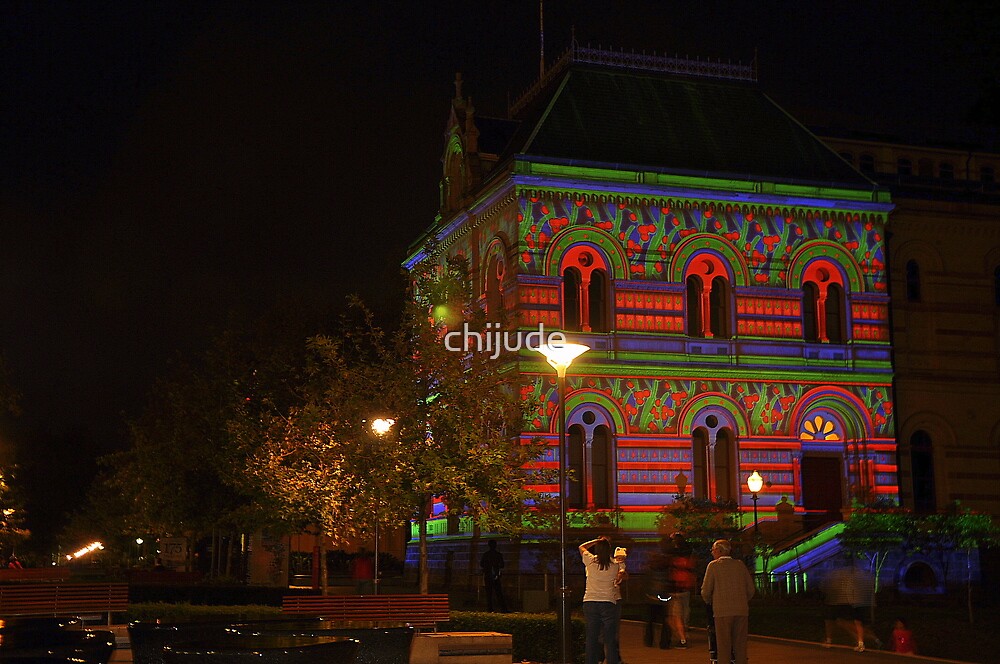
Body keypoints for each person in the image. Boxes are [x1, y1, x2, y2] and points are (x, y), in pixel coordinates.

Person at [701, 539, 755, 664]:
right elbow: (751, 589)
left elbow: (706, 590)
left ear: (719, 551)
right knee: (741, 646)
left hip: (722, 611)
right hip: (741, 610)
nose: (712, 553)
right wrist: (742, 600)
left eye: (713, 550)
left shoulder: (713, 566)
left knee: (724, 646)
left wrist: (709, 601)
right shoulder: (740, 565)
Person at [579, 536, 624, 664]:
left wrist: (595, 541)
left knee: (592, 637)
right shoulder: (614, 566)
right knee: (610, 638)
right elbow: (620, 575)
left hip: (590, 601)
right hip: (608, 602)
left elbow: (581, 547)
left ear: (597, 549)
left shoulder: (591, 561)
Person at [666, 532, 695, 648]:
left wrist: (669, 538)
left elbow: (665, 549)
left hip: (676, 589)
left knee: (674, 616)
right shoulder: (687, 557)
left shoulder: (673, 558)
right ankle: (684, 633)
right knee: (684, 613)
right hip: (686, 588)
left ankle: (682, 639)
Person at [480, 540, 508, 612]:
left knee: (489, 593)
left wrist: (487, 567)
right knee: (498, 592)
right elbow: (502, 565)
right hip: (495, 576)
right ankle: (503, 608)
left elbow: (481, 564)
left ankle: (490, 608)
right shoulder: (498, 554)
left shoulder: (486, 554)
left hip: (488, 575)